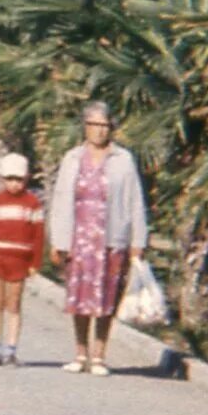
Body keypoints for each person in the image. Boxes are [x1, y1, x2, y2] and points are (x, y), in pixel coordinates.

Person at [44, 101, 146, 375]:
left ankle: (99, 355)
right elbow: (61, 199)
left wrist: (138, 240)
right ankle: (80, 353)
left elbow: (135, 200)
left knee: (106, 297)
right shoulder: (73, 158)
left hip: (112, 237)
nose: (99, 131)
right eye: (94, 125)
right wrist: (58, 241)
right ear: (85, 127)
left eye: (104, 125)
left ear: (111, 127)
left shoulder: (123, 160)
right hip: (80, 238)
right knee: (79, 297)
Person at [0, 152, 46, 366]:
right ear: (2, 179)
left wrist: (35, 263)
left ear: (26, 178)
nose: (14, 184)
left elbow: (38, 236)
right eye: (10, 179)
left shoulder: (32, 204)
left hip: (19, 261)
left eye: (19, 179)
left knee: (14, 304)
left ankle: (11, 349)